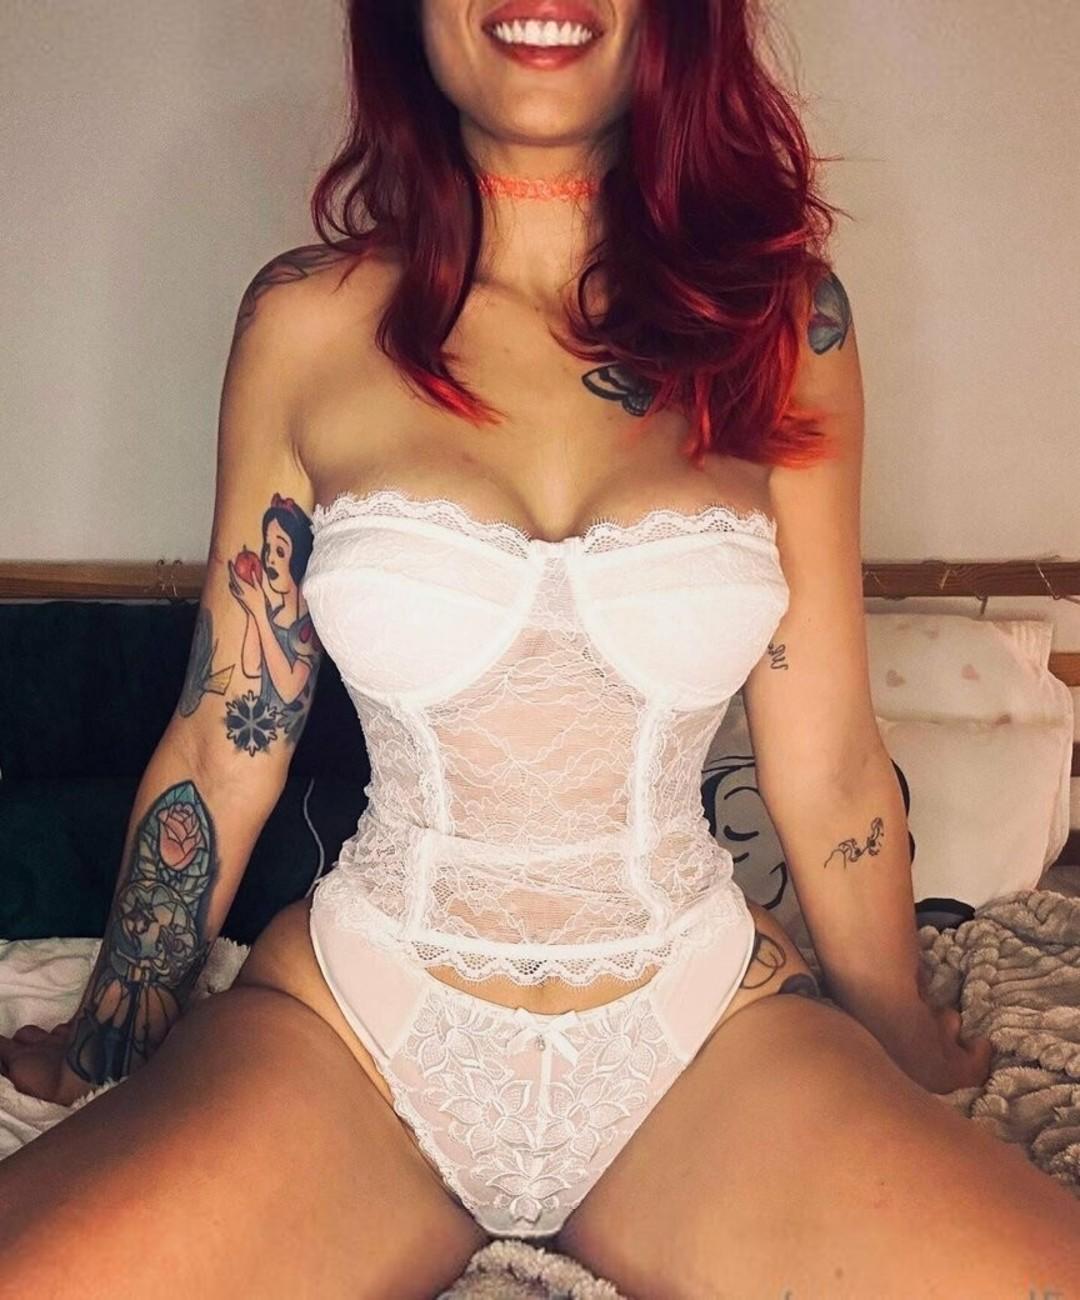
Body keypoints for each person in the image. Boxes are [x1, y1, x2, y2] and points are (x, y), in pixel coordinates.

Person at [1, 2, 1079, 1295]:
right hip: (358, 1029)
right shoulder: (304, 321)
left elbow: (832, 762)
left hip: (696, 1032)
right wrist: (111, 1033)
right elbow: (225, 740)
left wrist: (904, 1038)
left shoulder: (789, 327)